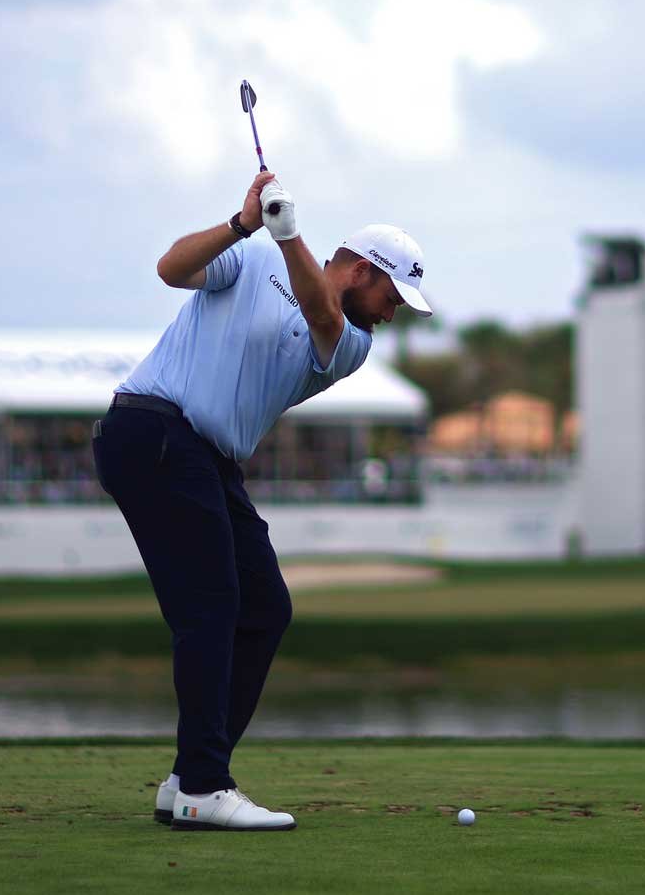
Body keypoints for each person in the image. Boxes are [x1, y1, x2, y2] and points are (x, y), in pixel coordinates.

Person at [93, 170, 431, 832]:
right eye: (394, 295)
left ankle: (189, 776)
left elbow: (321, 313)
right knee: (212, 606)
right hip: (152, 430)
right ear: (363, 270)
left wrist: (288, 235)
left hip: (205, 458)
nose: (393, 314)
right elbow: (170, 269)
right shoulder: (248, 259)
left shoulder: (352, 343)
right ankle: (203, 785)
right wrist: (244, 225)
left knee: (264, 606)